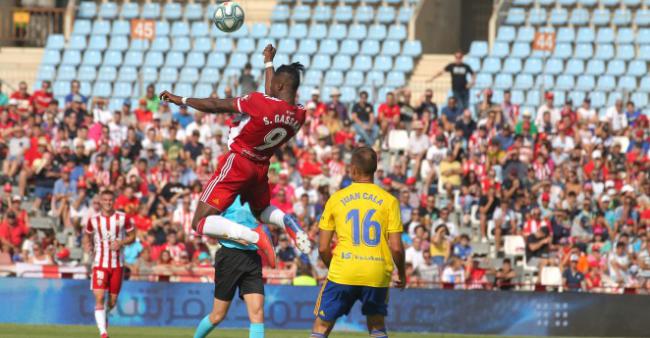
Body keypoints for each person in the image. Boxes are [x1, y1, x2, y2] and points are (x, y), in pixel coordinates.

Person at [159, 45, 312, 266]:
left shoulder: (259, 102)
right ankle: (287, 221)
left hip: (238, 162)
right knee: (261, 211)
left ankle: (253, 236)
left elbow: (215, 105)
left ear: (279, 85)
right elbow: (273, 95)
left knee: (199, 222)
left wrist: (181, 100)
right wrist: (269, 63)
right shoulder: (300, 114)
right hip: (261, 167)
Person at [311, 146, 406, 338]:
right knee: (377, 325)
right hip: (377, 271)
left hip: (343, 269)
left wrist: (334, 266)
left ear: (352, 169)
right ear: (375, 169)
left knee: (321, 326)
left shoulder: (336, 199)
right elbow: (396, 247)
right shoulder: (389, 201)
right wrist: (402, 274)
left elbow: (322, 247)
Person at [191, 196, 268, 338]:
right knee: (217, 315)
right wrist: (234, 237)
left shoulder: (257, 194)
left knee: (257, 313)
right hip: (229, 257)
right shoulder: (225, 195)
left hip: (252, 258)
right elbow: (205, 225)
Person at [83, 190, 136, 338]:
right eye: (104, 200)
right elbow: (87, 234)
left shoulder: (123, 218)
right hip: (99, 264)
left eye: (110, 200)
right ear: (100, 201)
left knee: (112, 302)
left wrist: (122, 242)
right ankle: (103, 333)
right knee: (99, 298)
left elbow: (132, 236)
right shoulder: (93, 220)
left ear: (114, 201)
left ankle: (105, 314)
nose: (107, 202)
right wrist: (87, 245)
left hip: (117, 265)